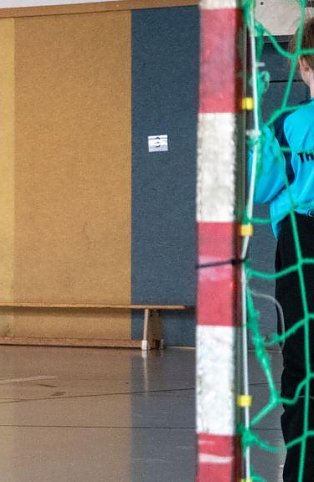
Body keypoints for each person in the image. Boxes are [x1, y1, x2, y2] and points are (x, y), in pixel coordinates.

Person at [252, 18, 314, 481]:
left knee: (304, 362)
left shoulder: (288, 126)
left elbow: (261, 185)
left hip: (302, 242)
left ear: (304, 64)